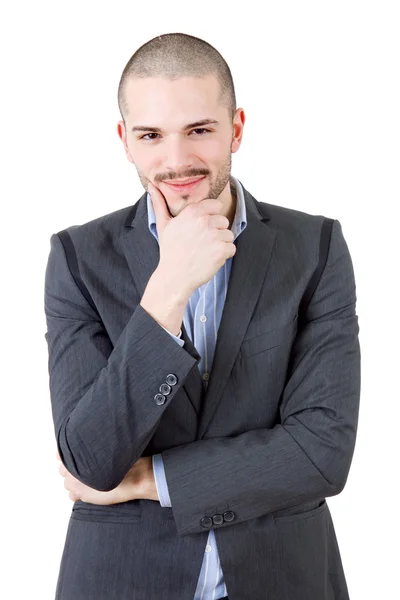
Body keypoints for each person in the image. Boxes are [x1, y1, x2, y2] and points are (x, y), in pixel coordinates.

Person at [44, 32, 361, 600]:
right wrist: (168, 288)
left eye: (199, 130)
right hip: (123, 581)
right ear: (125, 140)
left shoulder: (314, 247)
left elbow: (322, 454)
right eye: (151, 136)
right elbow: (91, 461)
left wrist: (147, 479)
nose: (176, 160)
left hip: (283, 577)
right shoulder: (77, 259)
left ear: (236, 128)